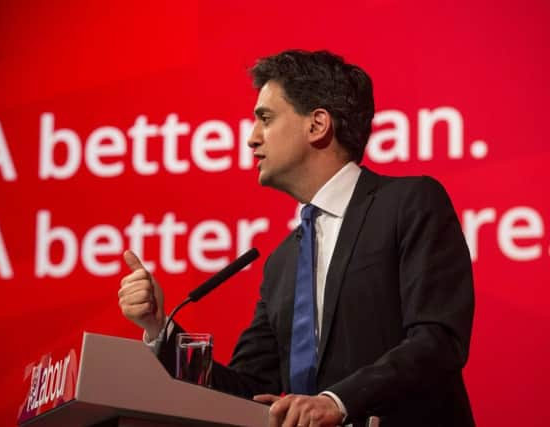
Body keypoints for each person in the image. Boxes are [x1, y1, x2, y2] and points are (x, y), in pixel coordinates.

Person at [118, 50, 475, 427]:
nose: (251, 139)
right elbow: (246, 391)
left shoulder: (408, 204)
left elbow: (437, 342)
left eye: (265, 119)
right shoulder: (282, 262)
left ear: (317, 124)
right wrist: (160, 328)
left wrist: (337, 401)